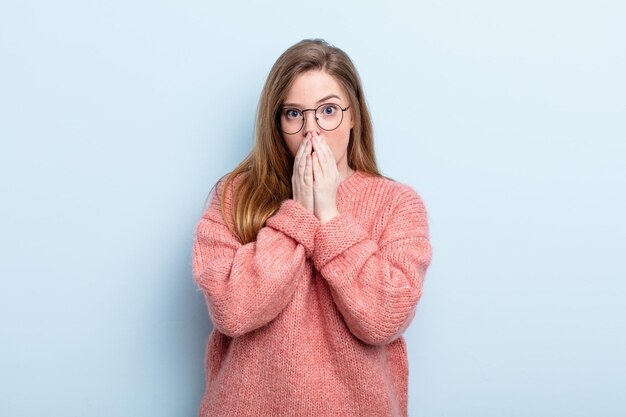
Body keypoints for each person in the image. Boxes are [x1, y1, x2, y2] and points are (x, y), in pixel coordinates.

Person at [191, 38, 433, 417]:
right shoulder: (234, 195)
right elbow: (233, 311)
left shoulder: (397, 204)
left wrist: (330, 216)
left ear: (354, 115)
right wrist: (299, 213)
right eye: (294, 114)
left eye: (328, 110)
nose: (311, 130)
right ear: (277, 122)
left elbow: (383, 319)